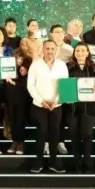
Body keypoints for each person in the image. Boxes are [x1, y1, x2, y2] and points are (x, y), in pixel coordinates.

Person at [27, 41, 68, 173]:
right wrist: (41, 101)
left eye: (52, 49)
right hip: (39, 106)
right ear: (42, 50)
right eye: (47, 49)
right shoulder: (35, 64)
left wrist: (56, 100)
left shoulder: (62, 65)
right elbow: (30, 85)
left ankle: (54, 163)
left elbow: (64, 84)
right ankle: (38, 163)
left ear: (56, 50)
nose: (50, 51)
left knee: (55, 134)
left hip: (56, 105)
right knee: (41, 133)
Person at [64, 43, 95, 172]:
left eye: (83, 51)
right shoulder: (67, 67)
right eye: (78, 51)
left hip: (89, 107)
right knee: (74, 135)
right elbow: (64, 86)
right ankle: (77, 162)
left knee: (87, 134)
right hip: (72, 108)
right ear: (74, 53)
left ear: (87, 53)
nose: (80, 53)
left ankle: (87, 162)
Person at [5, 50, 31, 155]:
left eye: (21, 58)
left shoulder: (27, 68)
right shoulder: (9, 69)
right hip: (10, 99)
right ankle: (14, 142)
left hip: (22, 100)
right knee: (12, 121)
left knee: (20, 121)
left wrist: (12, 82)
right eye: (17, 57)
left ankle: (21, 143)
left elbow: (26, 86)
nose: (19, 60)